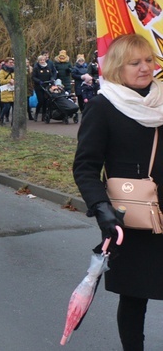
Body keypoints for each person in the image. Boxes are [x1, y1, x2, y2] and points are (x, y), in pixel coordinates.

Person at [73, 33, 163, 350]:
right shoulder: (103, 107)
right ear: (116, 68)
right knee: (135, 297)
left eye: (149, 60)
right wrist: (102, 209)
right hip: (133, 220)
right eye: (135, 62)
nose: (145, 67)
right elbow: (85, 166)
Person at [0, 57, 16, 125]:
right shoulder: (2, 71)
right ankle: (1, 118)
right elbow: (1, 81)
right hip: (6, 91)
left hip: (13, 91)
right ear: (6, 63)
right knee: (7, 107)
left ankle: (13, 122)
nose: (12, 64)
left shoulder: (14, 70)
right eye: (10, 62)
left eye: (12, 62)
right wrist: (9, 81)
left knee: (14, 108)